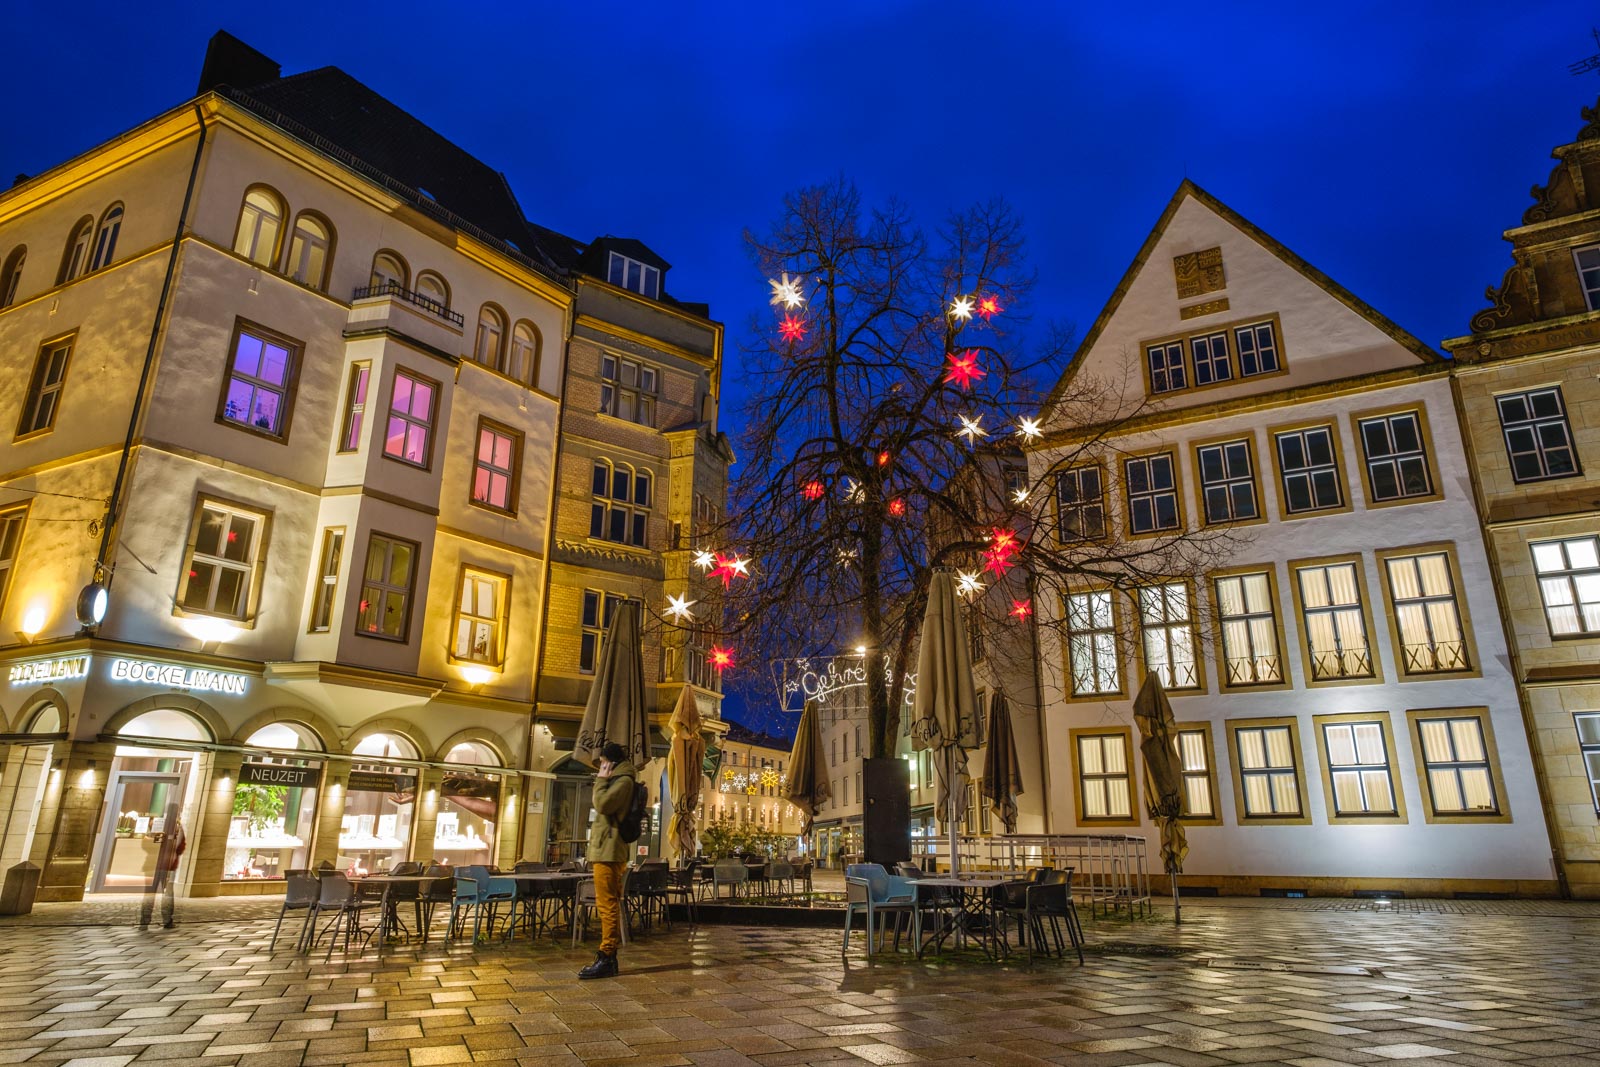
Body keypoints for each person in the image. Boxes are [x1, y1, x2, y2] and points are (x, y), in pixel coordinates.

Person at [578, 741, 636, 980]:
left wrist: (601, 780)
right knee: (607, 902)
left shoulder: (623, 782)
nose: (600, 767)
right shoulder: (620, 780)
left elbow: (602, 804)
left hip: (610, 851)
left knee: (607, 903)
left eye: (602, 762)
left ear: (610, 763)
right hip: (606, 849)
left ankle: (607, 955)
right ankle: (607, 955)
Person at [139, 802, 186, 929]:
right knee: (167, 894)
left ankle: (144, 921)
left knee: (149, 893)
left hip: (153, 864)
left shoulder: (157, 823)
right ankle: (167, 920)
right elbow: (181, 846)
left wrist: (154, 851)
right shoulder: (177, 826)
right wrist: (173, 854)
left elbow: (145, 844)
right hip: (168, 865)